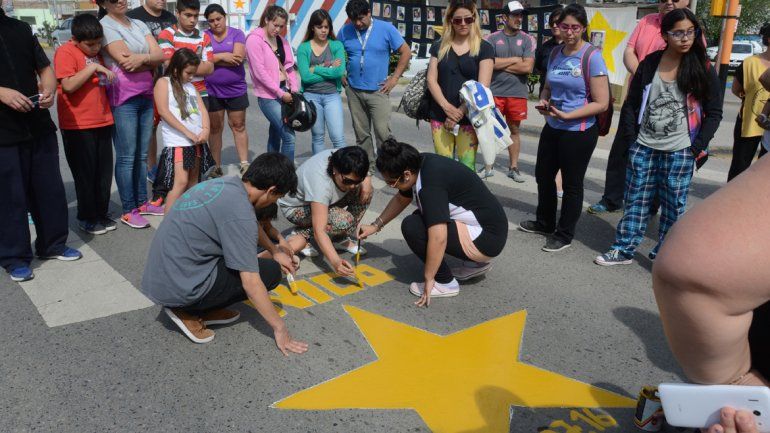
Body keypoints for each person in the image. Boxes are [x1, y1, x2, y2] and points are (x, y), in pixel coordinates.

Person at [141, 152, 307, 352]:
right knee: (270, 272)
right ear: (271, 190)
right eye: (277, 198)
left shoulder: (226, 184)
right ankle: (187, 309)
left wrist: (274, 250)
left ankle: (205, 307)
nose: (273, 203)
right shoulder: (241, 213)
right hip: (179, 288)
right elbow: (251, 282)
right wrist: (280, 329)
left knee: (256, 261)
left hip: (162, 276)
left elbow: (251, 222)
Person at [594, 9, 721, 266]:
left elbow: (715, 112)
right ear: (664, 35)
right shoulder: (650, 63)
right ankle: (623, 249)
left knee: (673, 207)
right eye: (678, 33)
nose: (685, 38)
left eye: (690, 32)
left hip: (681, 150)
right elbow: (631, 104)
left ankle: (666, 255)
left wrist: (695, 147)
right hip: (644, 146)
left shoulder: (702, 66)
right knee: (635, 201)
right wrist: (632, 139)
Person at [358, 139, 507, 307]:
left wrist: (430, 277)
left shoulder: (429, 186)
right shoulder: (421, 163)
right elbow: (402, 198)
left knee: (413, 226)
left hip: (486, 240)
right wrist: (375, 226)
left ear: (406, 174)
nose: (391, 186)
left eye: (391, 182)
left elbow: (438, 237)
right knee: (421, 217)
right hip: (492, 230)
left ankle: (445, 283)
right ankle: (474, 264)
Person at [0, 6, 83, 282]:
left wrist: (49, 89)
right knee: (10, 197)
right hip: (4, 131)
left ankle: (53, 244)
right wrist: (2, 92)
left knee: (49, 189)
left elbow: (45, 68)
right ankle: (14, 257)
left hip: (36, 122)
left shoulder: (19, 28)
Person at [518, 4, 610, 253]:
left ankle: (564, 234)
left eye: (575, 27)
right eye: (564, 26)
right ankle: (545, 222)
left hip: (579, 129)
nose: (569, 32)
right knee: (543, 175)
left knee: (571, 184)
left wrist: (569, 114)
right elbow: (548, 86)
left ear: (583, 28)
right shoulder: (556, 52)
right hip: (554, 123)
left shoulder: (592, 56)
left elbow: (602, 103)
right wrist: (544, 100)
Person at [588, 0, 690, 215]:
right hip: (637, 95)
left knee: (658, 154)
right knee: (622, 149)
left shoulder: (689, 26)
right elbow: (629, 51)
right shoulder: (647, 21)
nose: (669, 2)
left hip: (666, 103)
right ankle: (612, 198)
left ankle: (651, 204)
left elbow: (693, 63)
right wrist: (644, 76)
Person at [98, 0, 164, 229]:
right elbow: (126, 63)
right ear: (104, 3)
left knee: (142, 155)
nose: (121, 1)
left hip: (146, 93)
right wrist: (149, 60)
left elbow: (160, 55)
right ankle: (128, 209)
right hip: (123, 98)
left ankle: (142, 202)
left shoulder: (138, 24)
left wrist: (142, 60)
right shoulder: (105, 26)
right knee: (127, 156)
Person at [54, 14, 116, 235]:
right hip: (78, 125)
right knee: (85, 175)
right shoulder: (66, 52)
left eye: (98, 43)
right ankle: (87, 217)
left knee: (103, 173)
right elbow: (68, 85)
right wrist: (92, 68)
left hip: (102, 119)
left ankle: (101, 213)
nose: (95, 48)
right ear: (74, 39)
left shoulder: (96, 54)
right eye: (90, 44)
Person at [338, 0, 411, 172]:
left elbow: (406, 52)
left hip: (379, 90)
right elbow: (335, 51)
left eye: (361, 18)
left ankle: (389, 168)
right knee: (361, 133)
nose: (358, 23)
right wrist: (340, 72)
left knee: (383, 133)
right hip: (354, 91)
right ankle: (367, 167)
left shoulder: (386, 29)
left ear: (369, 13)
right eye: (353, 20)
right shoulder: (345, 31)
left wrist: (394, 78)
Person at [278, 147, 371, 276]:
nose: (352, 186)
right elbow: (320, 231)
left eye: (357, 181)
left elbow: (362, 166)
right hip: (297, 208)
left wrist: (366, 180)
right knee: (344, 221)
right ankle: (301, 233)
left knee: (365, 193)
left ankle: (339, 237)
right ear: (335, 170)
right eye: (348, 181)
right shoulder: (320, 183)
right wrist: (336, 262)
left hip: (325, 200)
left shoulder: (348, 156)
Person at [426, 0, 494, 171]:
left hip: (470, 117)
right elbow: (431, 80)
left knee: (467, 167)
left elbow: (482, 87)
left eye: (468, 19)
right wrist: (446, 107)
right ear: (450, 21)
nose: (463, 23)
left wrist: (458, 113)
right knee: (443, 166)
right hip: (439, 114)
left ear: (474, 19)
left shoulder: (484, 48)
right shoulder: (439, 46)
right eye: (458, 20)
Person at [154, 48, 213, 212]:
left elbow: (202, 110)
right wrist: (188, 133)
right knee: (180, 182)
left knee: (193, 183)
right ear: (176, 69)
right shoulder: (163, 83)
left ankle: (187, 219)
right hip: (178, 142)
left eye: (194, 73)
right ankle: (168, 222)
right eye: (188, 73)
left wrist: (206, 130)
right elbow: (163, 111)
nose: (192, 77)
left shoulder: (191, 87)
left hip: (197, 141)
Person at [127, 0, 176, 187]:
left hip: (172, 81)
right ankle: (152, 168)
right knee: (150, 127)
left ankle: (175, 166)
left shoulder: (171, 17)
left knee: (174, 124)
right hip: (147, 81)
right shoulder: (133, 17)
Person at [483, 0, 534, 181]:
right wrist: (515, 59)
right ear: (504, 17)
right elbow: (489, 63)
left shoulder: (527, 39)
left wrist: (499, 64)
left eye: (521, 15)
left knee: (514, 131)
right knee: (490, 131)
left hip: (517, 94)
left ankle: (513, 168)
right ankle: (488, 166)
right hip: (494, 93)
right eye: (515, 15)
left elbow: (527, 67)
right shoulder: (491, 39)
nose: (519, 19)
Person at [245, 5, 298, 161]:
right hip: (268, 95)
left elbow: (289, 66)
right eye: (275, 25)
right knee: (289, 136)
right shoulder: (254, 40)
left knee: (275, 134)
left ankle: (271, 169)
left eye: (281, 26)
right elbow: (259, 72)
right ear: (267, 20)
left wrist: (294, 88)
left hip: (285, 90)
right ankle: (287, 171)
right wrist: (280, 93)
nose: (278, 29)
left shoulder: (282, 40)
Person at [204, 4, 250, 175]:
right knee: (215, 128)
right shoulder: (205, 36)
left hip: (236, 89)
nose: (216, 23)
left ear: (225, 17)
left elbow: (238, 59)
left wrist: (213, 59)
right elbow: (201, 60)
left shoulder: (237, 34)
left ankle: (244, 164)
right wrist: (223, 56)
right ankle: (215, 167)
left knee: (239, 125)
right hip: (212, 90)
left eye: (218, 19)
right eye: (211, 21)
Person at [297, 9, 347, 155]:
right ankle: (319, 165)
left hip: (332, 95)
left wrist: (316, 69)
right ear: (312, 27)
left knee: (338, 137)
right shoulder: (303, 47)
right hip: (311, 96)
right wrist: (329, 68)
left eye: (326, 27)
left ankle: (343, 166)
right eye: (320, 27)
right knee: (318, 137)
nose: (324, 30)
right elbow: (305, 77)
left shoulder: (336, 45)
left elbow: (339, 72)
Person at [727, 23, 770, 181]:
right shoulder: (750, 63)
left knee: (764, 171)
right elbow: (736, 89)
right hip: (750, 122)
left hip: (769, 128)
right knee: (740, 166)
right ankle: (732, 193)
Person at [535, 7, 564, 198]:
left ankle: (560, 180)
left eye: (558, 22)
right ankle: (554, 177)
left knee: (563, 140)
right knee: (554, 137)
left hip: (568, 100)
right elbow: (539, 68)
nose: (554, 25)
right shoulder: (546, 47)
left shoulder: (580, 47)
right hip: (547, 98)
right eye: (551, 22)